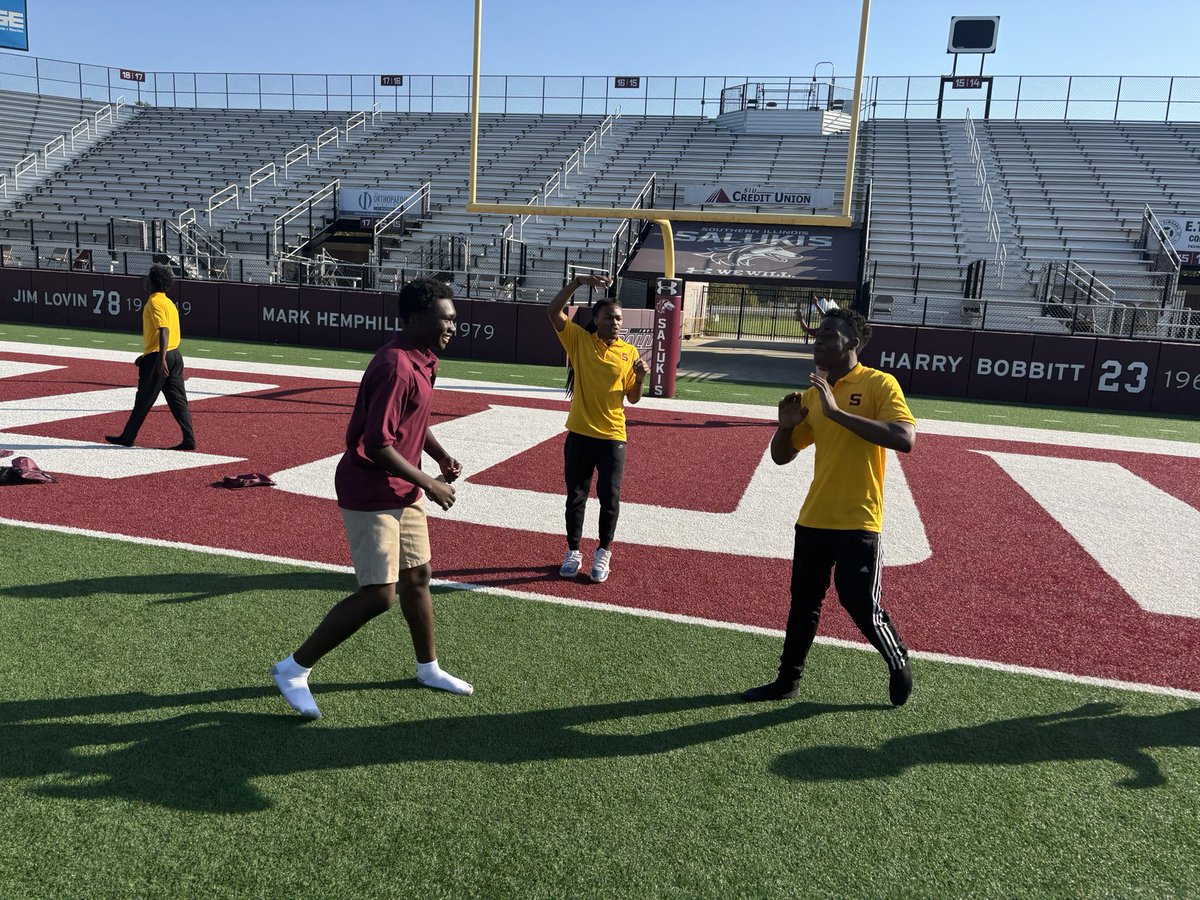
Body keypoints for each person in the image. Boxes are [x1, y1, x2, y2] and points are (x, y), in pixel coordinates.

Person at [272, 278, 471, 719]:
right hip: (371, 487)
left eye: (455, 320)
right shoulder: (396, 364)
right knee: (380, 595)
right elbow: (376, 443)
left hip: (403, 487)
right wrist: (431, 483)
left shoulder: (424, 359)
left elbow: (412, 418)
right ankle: (293, 668)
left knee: (418, 578)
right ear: (416, 318)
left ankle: (428, 668)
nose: (453, 327)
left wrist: (439, 455)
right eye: (446, 319)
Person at [744, 306, 917, 707]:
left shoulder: (879, 384)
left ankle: (897, 658)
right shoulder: (812, 394)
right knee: (803, 603)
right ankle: (787, 681)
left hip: (859, 518)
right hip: (814, 517)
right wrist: (785, 427)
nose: (818, 341)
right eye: (818, 335)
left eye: (829, 336)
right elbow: (782, 457)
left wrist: (838, 414)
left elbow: (905, 437)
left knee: (858, 602)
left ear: (853, 344)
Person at [546, 272, 648, 584]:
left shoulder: (629, 352)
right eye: (609, 317)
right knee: (575, 496)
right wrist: (577, 283)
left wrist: (641, 377)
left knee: (610, 498)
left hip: (613, 437)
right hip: (579, 433)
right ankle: (573, 551)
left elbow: (633, 398)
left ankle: (603, 552)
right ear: (597, 319)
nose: (615, 322)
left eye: (618, 318)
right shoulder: (579, 340)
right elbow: (553, 312)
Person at [105, 263, 195, 450]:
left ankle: (128, 437)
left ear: (153, 282)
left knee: (144, 398)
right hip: (175, 355)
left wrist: (159, 358)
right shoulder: (168, 302)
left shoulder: (154, 302)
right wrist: (146, 355)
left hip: (159, 357)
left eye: (148, 277)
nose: (145, 280)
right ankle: (189, 439)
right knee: (178, 400)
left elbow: (164, 330)